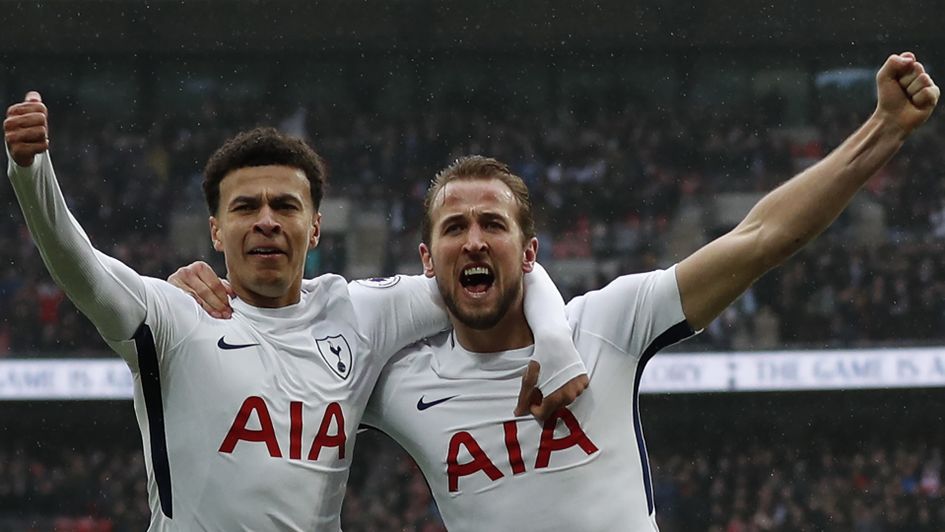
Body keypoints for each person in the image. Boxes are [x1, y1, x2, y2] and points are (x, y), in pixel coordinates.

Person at [174, 52, 938, 530]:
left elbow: (760, 238)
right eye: (454, 228)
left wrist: (882, 128)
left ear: (529, 251)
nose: (474, 240)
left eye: (492, 225)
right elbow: (277, 369)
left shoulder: (608, 323)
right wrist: (202, 300)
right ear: (426, 261)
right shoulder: (394, 382)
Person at [3, 99, 587, 530]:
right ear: (216, 230)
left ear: (313, 228)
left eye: (285, 205)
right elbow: (81, 268)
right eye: (245, 207)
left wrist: (556, 340)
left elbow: (500, 271)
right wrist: (32, 175)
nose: (266, 220)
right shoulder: (175, 317)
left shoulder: (359, 311)